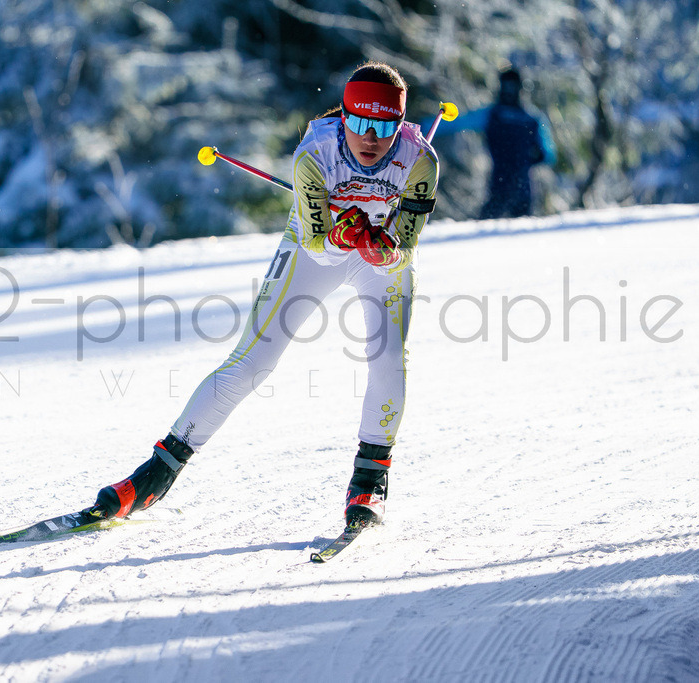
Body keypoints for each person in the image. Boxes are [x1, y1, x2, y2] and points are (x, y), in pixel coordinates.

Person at [88, 61, 440, 529]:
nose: (370, 137)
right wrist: (345, 237)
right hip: (315, 248)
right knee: (252, 361)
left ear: (400, 123)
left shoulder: (420, 160)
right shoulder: (315, 152)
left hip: (377, 253)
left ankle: (369, 481)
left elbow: (406, 244)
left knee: (388, 356)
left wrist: (381, 248)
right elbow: (318, 242)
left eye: (383, 125)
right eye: (359, 121)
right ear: (344, 116)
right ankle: (157, 473)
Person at [439, 66, 555, 219]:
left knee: (492, 226)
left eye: (512, 86)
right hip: (509, 184)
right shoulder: (526, 117)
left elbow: (548, 154)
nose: (509, 90)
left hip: (512, 184)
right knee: (502, 226)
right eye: (507, 85)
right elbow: (548, 155)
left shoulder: (527, 118)